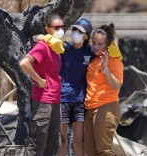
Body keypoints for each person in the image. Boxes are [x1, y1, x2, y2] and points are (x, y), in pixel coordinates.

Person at [33, 18, 94, 156]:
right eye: (74, 30)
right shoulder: (63, 47)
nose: (76, 33)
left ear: (86, 36)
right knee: (62, 141)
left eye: (80, 31)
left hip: (80, 102)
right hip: (63, 100)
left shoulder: (90, 52)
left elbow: (103, 48)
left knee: (78, 142)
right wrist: (48, 38)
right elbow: (35, 37)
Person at [19, 13, 65, 156]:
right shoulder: (43, 46)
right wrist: (39, 80)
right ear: (47, 29)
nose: (61, 30)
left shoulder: (56, 48)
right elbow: (24, 63)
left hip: (55, 101)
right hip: (43, 101)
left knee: (53, 144)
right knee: (37, 144)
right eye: (57, 27)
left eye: (63, 26)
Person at [84, 23, 124, 156]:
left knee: (104, 150)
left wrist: (106, 68)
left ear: (107, 45)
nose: (95, 46)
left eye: (100, 44)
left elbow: (116, 85)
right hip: (90, 107)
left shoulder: (114, 61)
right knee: (90, 151)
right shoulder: (92, 60)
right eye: (94, 43)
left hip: (107, 106)